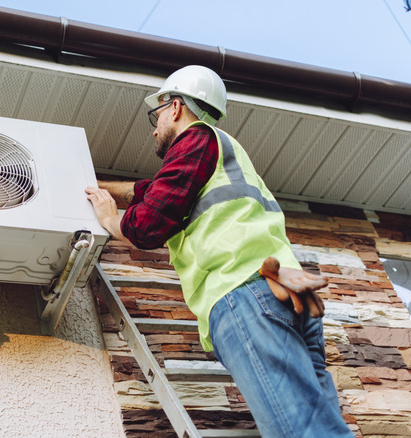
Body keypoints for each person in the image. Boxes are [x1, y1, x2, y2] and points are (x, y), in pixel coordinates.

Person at [85, 65, 353, 438]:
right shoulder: (222, 151)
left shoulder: (194, 140)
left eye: (157, 113)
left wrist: (111, 219)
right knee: (322, 428)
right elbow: (152, 190)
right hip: (286, 291)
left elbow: (147, 225)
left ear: (175, 107)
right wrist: (102, 186)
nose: (154, 125)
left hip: (243, 293)